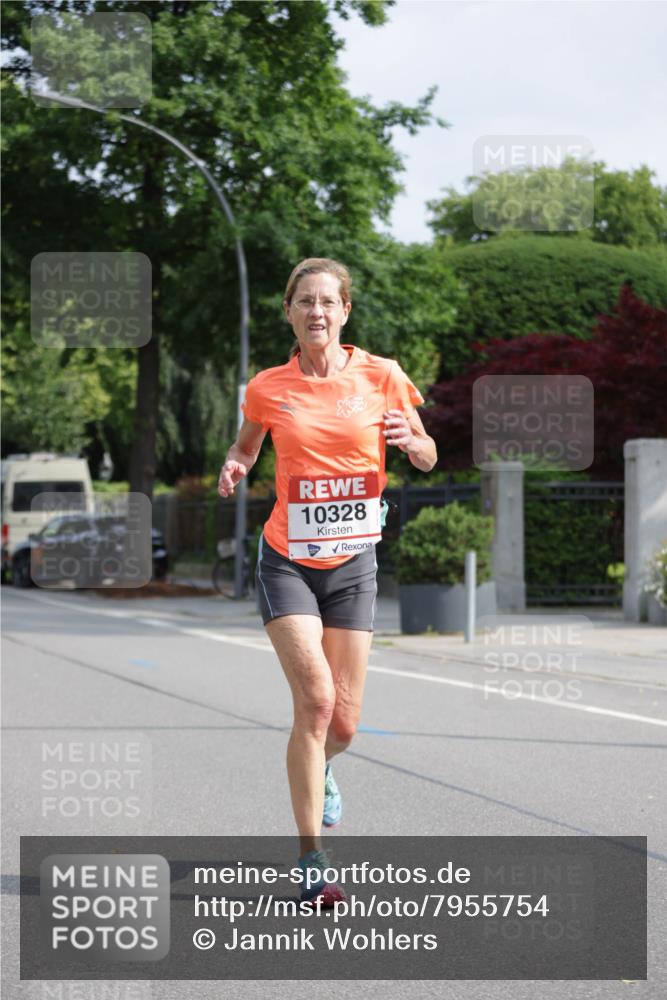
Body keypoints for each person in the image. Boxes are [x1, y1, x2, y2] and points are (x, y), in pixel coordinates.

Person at [217, 257, 437, 906]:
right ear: (288, 311)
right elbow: (245, 447)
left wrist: (410, 442)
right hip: (287, 559)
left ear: (344, 312)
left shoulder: (383, 375)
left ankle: (324, 768)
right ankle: (312, 858)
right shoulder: (267, 386)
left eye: (327, 302)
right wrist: (234, 467)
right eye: (304, 302)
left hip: (352, 565)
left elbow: (426, 453)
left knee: (343, 725)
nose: (316, 312)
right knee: (313, 703)